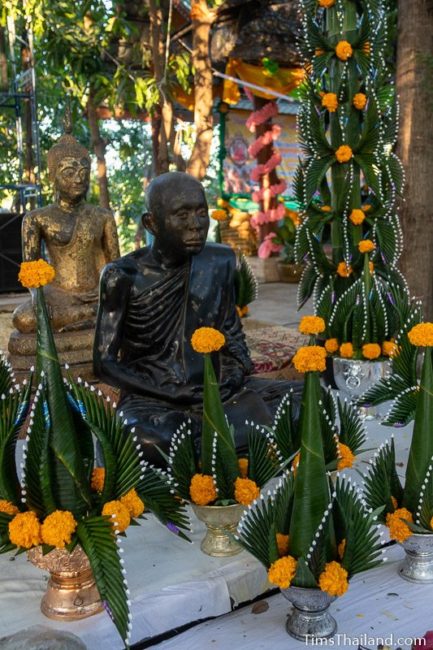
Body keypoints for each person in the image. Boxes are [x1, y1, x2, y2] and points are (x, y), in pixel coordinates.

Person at [94, 172, 301, 466]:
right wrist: (170, 391)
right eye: (182, 215)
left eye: (201, 212)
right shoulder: (123, 276)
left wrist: (228, 379)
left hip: (217, 392)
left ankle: (218, 445)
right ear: (151, 223)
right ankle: (242, 442)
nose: (195, 225)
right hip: (155, 398)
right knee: (148, 439)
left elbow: (233, 339)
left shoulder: (218, 261)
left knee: (312, 400)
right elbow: (104, 363)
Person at [12, 120, 120, 334]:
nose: (78, 179)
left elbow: (115, 268)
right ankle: (90, 319)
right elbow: (30, 274)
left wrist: (107, 291)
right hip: (58, 295)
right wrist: (39, 302)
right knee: (23, 319)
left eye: (84, 172)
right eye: (69, 172)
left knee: (129, 304)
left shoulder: (102, 216)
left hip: (95, 295)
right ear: (53, 176)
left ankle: (89, 318)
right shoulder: (36, 218)